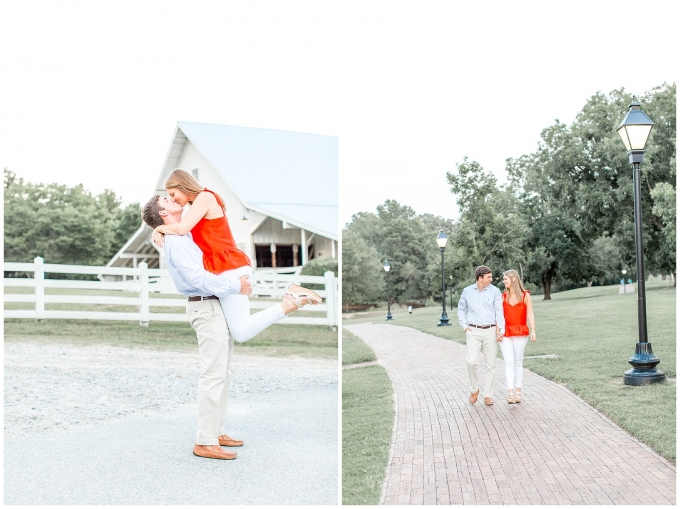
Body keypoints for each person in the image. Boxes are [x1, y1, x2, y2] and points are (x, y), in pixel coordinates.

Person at [152, 169, 321, 342]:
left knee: (241, 332)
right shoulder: (195, 208)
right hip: (223, 266)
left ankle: (289, 302)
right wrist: (161, 232)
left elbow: (180, 229)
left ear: (182, 184)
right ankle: (289, 302)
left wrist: (158, 229)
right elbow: (180, 229)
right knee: (236, 330)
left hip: (228, 265)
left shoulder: (205, 197)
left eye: (172, 193)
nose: (172, 198)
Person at [141, 195, 251, 460]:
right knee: (213, 374)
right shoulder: (177, 242)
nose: (173, 198)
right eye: (166, 199)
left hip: (216, 304)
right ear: (164, 213)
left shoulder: (182, 233)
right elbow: (198, 278)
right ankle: (204, 441)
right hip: (205, 305)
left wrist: (158, 228)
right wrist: (236, 286)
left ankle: (217, 431)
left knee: (222, 371)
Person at [457, 265, 505, 406]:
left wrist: (501, 330)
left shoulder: (495, 291)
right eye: (488, 277)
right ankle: (474, 389)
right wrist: (465, 327)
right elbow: (461, 310)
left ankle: (488, 395)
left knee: (491, 364)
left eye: (491, 276)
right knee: (471, 361)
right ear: (480, 278)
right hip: (473, 331)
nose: (491, 279)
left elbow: (499, 312)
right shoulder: (467, 292)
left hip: (490, 330)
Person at [499, 269, 536, 404]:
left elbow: (530, 314)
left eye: (505, 279)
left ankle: (518, 392)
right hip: (506, 333)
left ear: (513, 279)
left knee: (518, 362)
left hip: (520, 331)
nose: (504, 282)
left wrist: (533, 330)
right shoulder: (503, 297)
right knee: (508, 362)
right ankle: (510, 393)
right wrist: (498, 330)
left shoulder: (525, 296)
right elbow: (499, 316)